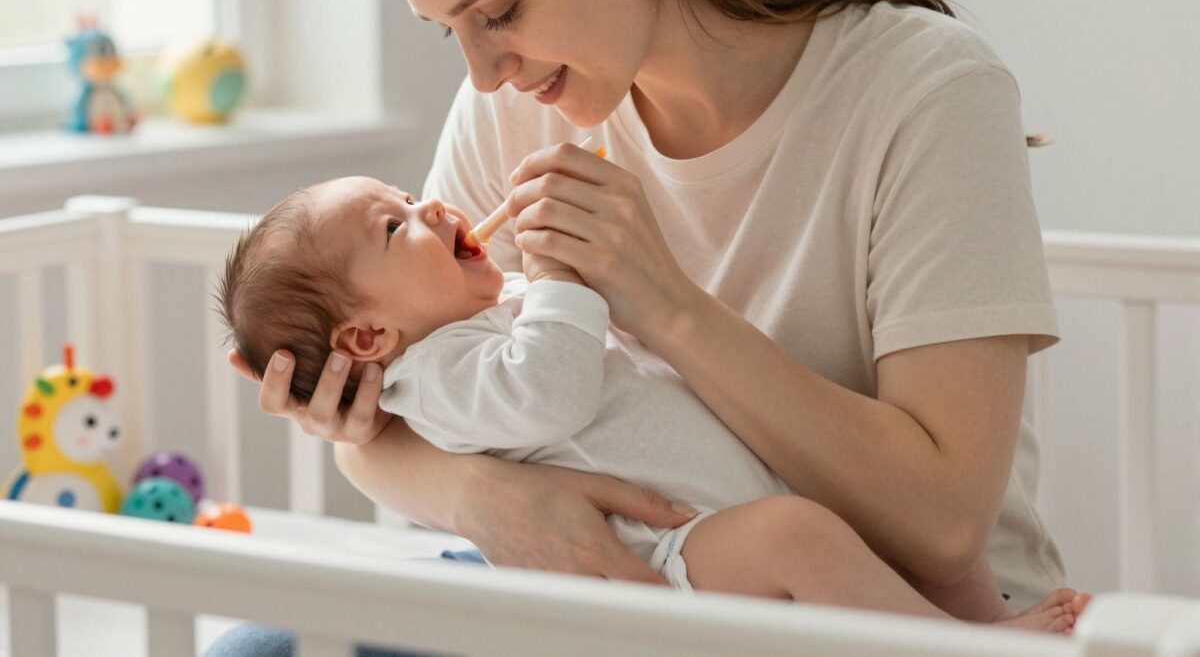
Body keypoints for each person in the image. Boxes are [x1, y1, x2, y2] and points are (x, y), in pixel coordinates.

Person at [205, 0, 1074, 653]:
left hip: (897, 613)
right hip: (628, 585)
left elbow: (940, 527)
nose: (483, 71)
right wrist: (502, 503)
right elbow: (387, 427)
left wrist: (663, 303)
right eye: (450, 31)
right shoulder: (514, 106)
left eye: (499, 12)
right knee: (258, 649)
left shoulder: (924, 89)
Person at [217, 175, 1082, 634]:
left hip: (728, 503)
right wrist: (558, 276)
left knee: (909, 522)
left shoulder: (483, 309)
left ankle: (975, 626)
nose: (430, 205)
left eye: (406, 195)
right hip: (668, 556)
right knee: (797, 536)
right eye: (397, 226)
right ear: (368, 342)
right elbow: (546, 394)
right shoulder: (435, 375)